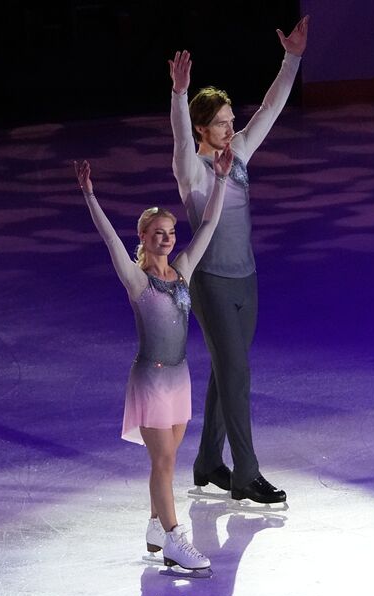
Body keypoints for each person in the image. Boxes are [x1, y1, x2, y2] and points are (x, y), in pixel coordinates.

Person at [168, 16, 310, 504]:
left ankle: (208, 461)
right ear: (204, 129)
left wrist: (291, 58)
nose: (233, 128)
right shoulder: (194, 173)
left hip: (248, 281)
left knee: (226, 371)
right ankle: (246, 475)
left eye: (233, 121)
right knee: (238, 375)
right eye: (223, 123)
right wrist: (178, 95)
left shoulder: (241, 153)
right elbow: (181, 142)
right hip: (211, 283)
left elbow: (271, 107)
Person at [74, 146, 232, 572]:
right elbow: (109, 238)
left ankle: (153, 527)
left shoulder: (181, 270)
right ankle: (176, 540)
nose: (167, 238)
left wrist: (219, 180)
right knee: (163, 462)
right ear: (143, 238)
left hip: (180, 378)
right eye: (157, 233)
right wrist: (90, 195)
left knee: (166, 461)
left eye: (170, 231)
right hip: (152, 379)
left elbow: (211, 224)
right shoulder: (136, 278)